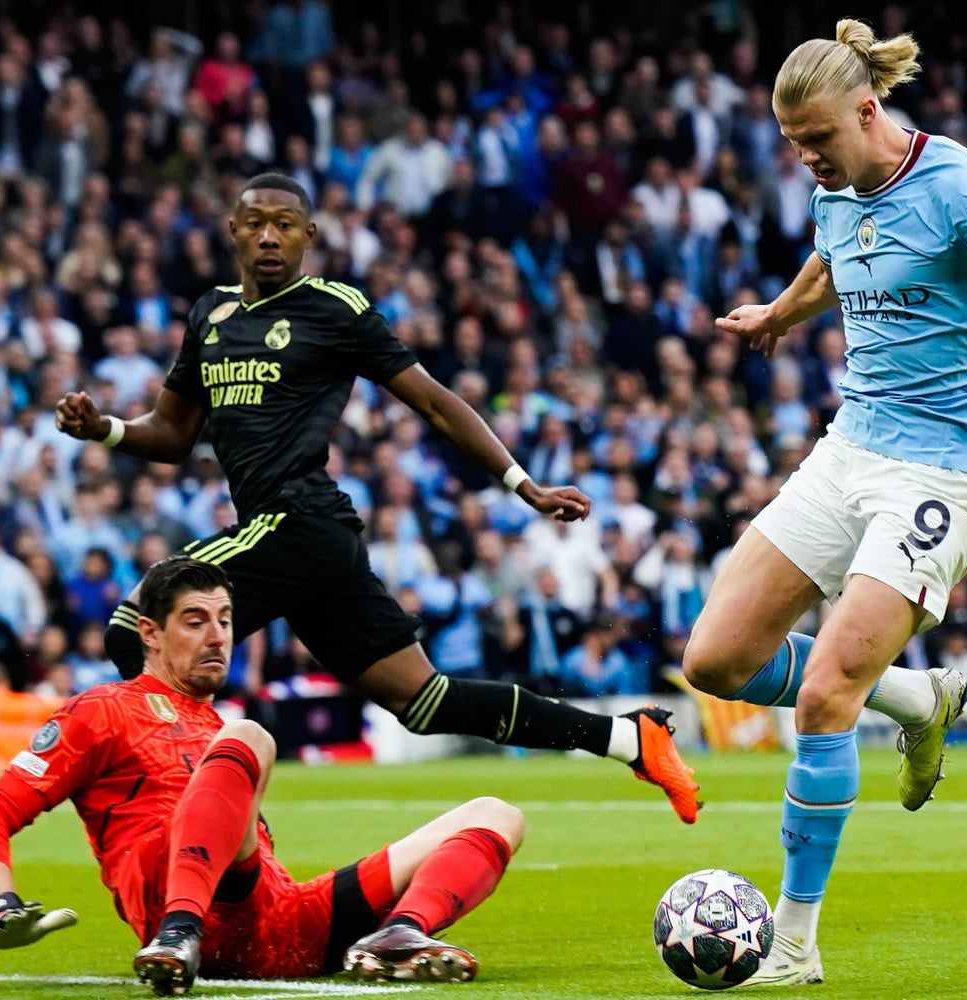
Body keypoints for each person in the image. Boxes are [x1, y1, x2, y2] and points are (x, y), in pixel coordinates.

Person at [53, 173, 698, 823]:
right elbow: (172, 433)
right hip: (298, 543)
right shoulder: (210, 315)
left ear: (309, 237)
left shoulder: (335, 308)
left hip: (299, 520)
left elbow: (434, 402)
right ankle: (625, 737)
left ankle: (185, 806)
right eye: (255, 224)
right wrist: (103, 428)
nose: (269, 237)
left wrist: (521, 484)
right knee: (426, 702)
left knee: (133, 629)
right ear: (233, 233)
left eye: (284, 225)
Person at [681, 20, 967, 984]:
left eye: (818, 139)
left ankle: (792, 944)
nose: (807, 159)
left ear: (870, 110)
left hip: (948, 468)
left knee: (824, 697)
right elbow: (834, 262)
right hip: (850, 447)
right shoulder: (835, 188)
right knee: (715, 659)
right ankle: (915, 697)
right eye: (794, 146)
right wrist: (780, 313)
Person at [0, 558, 522, 994]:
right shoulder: (100, 710)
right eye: (195, 621)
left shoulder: (212, 722)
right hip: (184, 907)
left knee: (498, 813)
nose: (218, 636)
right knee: (250, 735)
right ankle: (179, 933)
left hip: (277, 921)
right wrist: (1, 903)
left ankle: (400, 933)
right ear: (150, 634)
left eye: (225, 621)